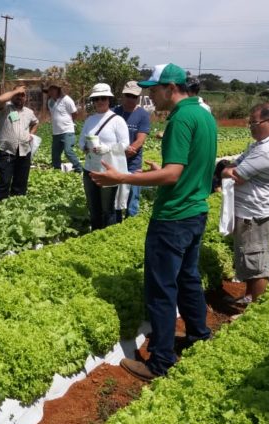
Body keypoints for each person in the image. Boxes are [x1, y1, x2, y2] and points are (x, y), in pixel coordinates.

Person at [90, 63, 217, 381]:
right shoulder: (204, 115)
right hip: (196, 211)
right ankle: (199, 335)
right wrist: (159, 167)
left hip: (173, 216)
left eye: (154, 90)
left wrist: (123, 177)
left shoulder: (181, 118)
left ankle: (160, 361)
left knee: (161, 289)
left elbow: (173, 175)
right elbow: (189, 167)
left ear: (171, 89)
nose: (150, 96)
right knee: (188, 278)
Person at [221, 103, 269, 304]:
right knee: (248, 258)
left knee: (257, 264)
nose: (250, 127)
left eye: (254, 123)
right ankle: (249, 296)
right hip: (248, 212)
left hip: (255, 215)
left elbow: (234, 173)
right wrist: (228, 170)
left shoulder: (268, 149)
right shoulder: (259, 145)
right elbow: (233, 166)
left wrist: (227, 171)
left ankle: (255, 308)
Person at [79, 83, 128, 230]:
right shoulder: (90, 120)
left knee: (108, 210)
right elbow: (81, 140)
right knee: (94, 209)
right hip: (90, 169)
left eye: (103, 98)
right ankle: (95, 236)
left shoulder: (117, 120)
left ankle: (108, 238)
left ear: (109, 100)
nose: (100, 101)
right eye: (96, 99)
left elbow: (125, 143)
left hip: (107, 170)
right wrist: (85, 146)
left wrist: (108, 148)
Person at [113, 80, 151, 218]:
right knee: (115, 199)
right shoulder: (114, 112)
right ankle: (115, 224)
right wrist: (119, 154)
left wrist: (128, 152)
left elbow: (140, 139)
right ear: (123, 95)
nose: (130, 99)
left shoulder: (143, 115)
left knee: (132, 200)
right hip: (115, 162)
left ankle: (131, 222)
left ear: (138, 97)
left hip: (133, 163)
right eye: (128, 95)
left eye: (134, 96)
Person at [0, 85, 39, 200]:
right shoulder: (5, 108)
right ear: (12, 95)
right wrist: (15, 91)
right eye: (17, 95)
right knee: (5, 180)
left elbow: (35, 122)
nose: (19, 97)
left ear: (25, 98)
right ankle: (0, 203)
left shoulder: (29, 112)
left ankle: (17, 202)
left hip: (24, 150)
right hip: (7, 150)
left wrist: (31, 134)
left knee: (21, 180)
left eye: (22, 95)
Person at [46, 83, 81, 172]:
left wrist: (70, 123)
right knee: (55, 154)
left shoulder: (66, 99)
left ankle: (79, 169)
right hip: (56, 132)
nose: (51, 92)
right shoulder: (50, 102)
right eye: (49, 90)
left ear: (58, 90)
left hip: (67, 131)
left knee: (68, 151)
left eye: (53, 89)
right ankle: (56, 170)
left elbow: (75, 113)